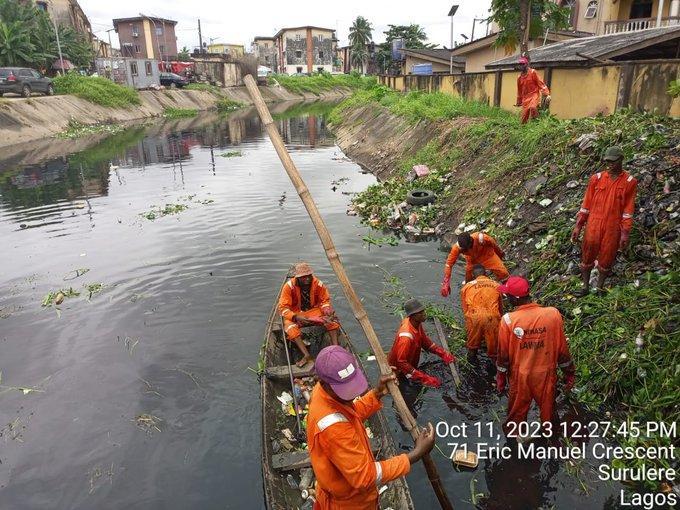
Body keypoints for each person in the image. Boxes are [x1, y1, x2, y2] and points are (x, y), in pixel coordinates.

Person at [307, 345, 436, 509]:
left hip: (341, 489)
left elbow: (350, 413)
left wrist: (377, 393)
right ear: (324, 383)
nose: (352, 396)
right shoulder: (334, 428)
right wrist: (416, 454)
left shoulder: (322, 393)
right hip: (349, 503)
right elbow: (364, 477)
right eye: (346, 391)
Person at [495, 276, 575, 436]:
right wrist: (569, 373)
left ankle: (513, 449)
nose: (506, 299)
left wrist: (501, 377)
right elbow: (562, 351)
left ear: (513, 298)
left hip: (521, 376)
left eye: (507, 296)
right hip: (546, 374)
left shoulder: (508, 320)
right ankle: (552, 444)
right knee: (549, 413)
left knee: (516, 417)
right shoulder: (553, 314)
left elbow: (503, 356)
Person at [571, 146, 638, 296]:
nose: (609, 165)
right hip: (594, 224)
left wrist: (625, 233)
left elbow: (628, 211)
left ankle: (599, 288)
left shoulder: (630, 182)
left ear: (621, 160)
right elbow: (586, 205)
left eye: (613, 161)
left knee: (607, 255)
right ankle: (585, 287)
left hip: (612, 227)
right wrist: (578, 226)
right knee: (587, 252)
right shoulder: (597, 179)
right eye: (607, 162)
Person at [278, 262, 340, 367]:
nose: (306, 279)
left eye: (308, 276)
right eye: (303, 277)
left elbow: (325, 301)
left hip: (313, 311)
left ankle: (336, 347)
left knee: (331, 321)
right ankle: (307, 355)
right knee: (291, 328)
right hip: (296, 313)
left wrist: (326, 310)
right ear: (297, 277)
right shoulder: (288, 287)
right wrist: (295, 317)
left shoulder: (318, 284)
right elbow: (283, 308)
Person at [388, 299, 456, 389]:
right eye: (420, 312)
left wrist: (442, 353)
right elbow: (401, 362)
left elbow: (425, 342)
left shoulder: (416, 323)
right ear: (413, 316)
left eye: (423, 311)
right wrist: (423, 378)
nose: (424, 314)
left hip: (410, 364)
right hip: (399, 371)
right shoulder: (406, 337)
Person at [440, 231, 509, 296]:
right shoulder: (457, 248)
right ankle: (469, 292)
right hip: (472, 261)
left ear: (471, 241)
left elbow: (494, 245)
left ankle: (507, 291)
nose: (465, 250)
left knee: (503, 273)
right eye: (463, 249)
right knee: (469, 279)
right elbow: (449, 264)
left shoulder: (482, 238)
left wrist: (500, 255)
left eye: (466, 248)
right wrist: (446, 281)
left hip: (488, 256)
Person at [460, 265, 503, 363]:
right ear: (486, 273)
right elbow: (500, 308)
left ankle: (471, 363)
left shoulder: (466, 287)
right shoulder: (496, 285)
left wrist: (470, 326)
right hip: (493, 317)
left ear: (473, 275)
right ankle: (495, 370)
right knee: (494, 349)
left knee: (472, 346)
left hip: (475, 317)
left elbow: (465, 310)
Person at [515, 56, 551, 124]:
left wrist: (547, 94)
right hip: (525, 98)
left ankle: (537, 123)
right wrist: (519, 101)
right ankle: (523, 129)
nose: (521, 66)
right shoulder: (519, 77)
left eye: (523, 64)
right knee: (524, 117)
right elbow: (519, 91)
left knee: (533, 108)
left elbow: (540, 83)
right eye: (520, 64)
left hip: (534, 95)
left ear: (527, 64)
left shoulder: (533, 72)